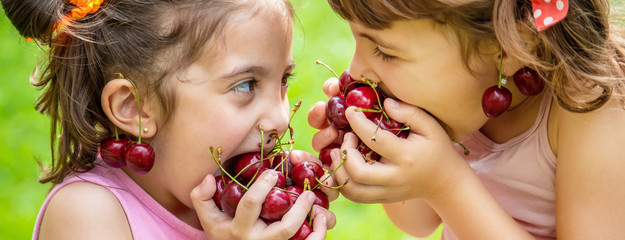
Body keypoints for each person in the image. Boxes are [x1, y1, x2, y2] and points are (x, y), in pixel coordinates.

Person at [1, 0, 337, 239]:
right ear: (134, 106)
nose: (280, 118)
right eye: (245, 85)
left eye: (283, 80)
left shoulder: (243, 210)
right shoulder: (88, 214)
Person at [308, 0, 625, 239]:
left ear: (513, 47)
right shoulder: (454, 103)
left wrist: (445, 183)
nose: (356, 69)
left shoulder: (592, 115)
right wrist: (381, 156)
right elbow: (418, 224)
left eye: (384, 51)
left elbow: (441, 191)